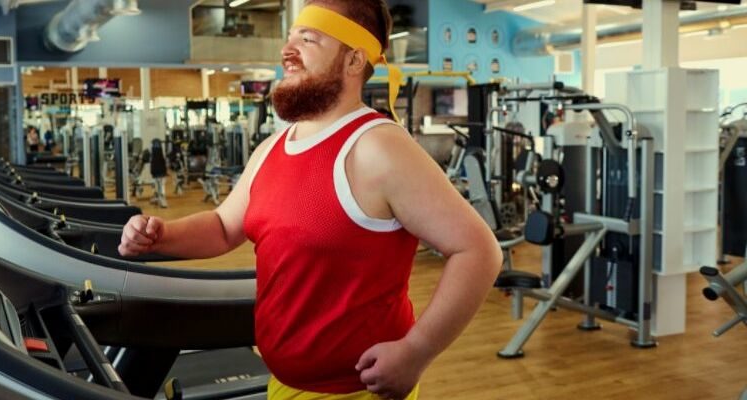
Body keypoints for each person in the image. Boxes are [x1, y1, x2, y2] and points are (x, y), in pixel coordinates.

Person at [119, 1, 500, 399]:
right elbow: (223, 227)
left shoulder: (377, 147)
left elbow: (478, 250)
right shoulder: (272, 147)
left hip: (353, 392)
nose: (287, 50)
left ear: (354, 60)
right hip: (283, 382)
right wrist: (160, 235)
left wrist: (416, 351)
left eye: (308, 38)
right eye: (289, 37)